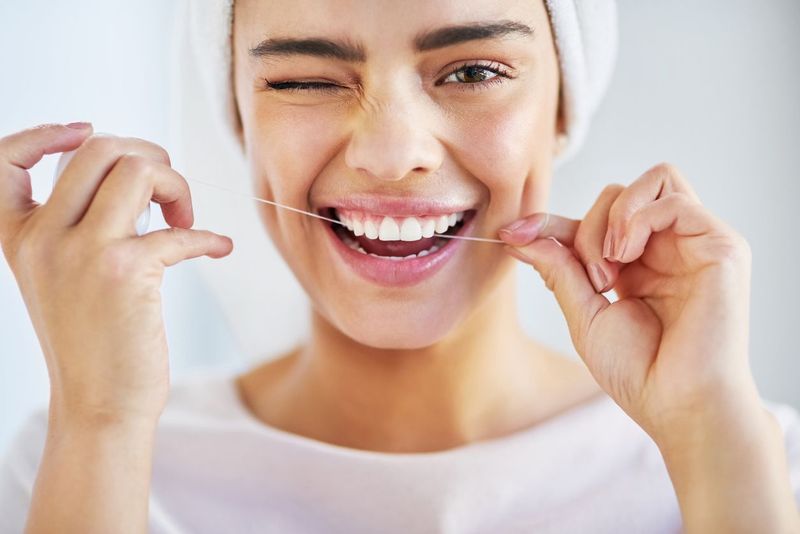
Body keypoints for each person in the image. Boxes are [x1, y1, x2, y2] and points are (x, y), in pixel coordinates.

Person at [1, 0, 799, 532]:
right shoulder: (75, 461)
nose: (389, 155)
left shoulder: (757, 461)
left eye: (474, 72)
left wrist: (710, 442)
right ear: (239, 118)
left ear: (563, 109)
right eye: (305, 79)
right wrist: (101, 426)